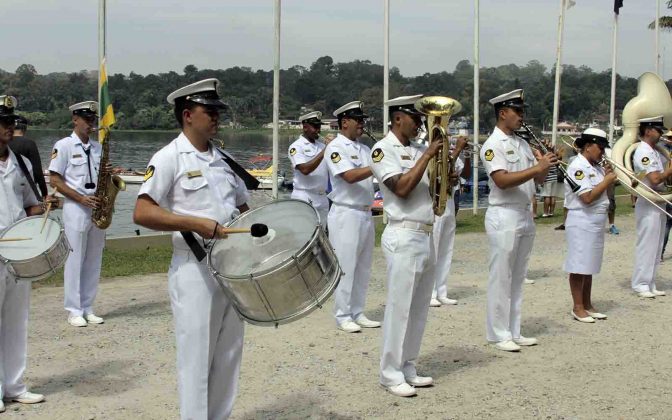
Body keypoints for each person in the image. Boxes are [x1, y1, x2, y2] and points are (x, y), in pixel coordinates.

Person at [133, 79, 250, 419]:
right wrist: (193, 222)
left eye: (217, 111)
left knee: (228, 354)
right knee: (196, 360)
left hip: (231, 265)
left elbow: (242, 206)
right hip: (195, 268)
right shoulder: (169, 157)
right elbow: (142, 211)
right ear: (187, 115)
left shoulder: (223, 158)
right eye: (208, 111)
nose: (216, 117)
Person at [371, 95, 441, 397]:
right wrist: (426, 156)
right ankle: (390, 372)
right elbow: (400, 188)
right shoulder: (381, 150)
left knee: (418, 307)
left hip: (425, 232)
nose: (420, 124)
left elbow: (433, 189)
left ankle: (408, 364)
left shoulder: (415, 149)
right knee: (400, 308)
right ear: (398, 117)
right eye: (416, 118)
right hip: (402, 232)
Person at [480, 89, 556, 352]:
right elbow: (501, 180)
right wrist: (536, 167)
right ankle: (498, 333)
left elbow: (538, 180)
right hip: (504, 213)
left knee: (518, 276)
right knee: (501, 276)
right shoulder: (493, 145)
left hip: (524, 211)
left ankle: (514, 328)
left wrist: (546, 164)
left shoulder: (522, 143)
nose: (522, 117)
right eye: (518, 112)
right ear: (503, 113)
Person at [0, 95, 46, 410]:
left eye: (10, 123)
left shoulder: (22, 163)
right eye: (3, 123)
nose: (8, 128)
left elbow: (32, 203)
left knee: (17, 320)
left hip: (18, 253)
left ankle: (14, 385)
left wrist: (41, 215)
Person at [49, 101, 107, 327]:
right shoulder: (63, 146)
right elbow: (55, 179)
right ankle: (74, 309)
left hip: (97, 206)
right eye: (86, 119)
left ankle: (88, 306)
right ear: (75, 120)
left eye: (93, 119)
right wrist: (80, 198)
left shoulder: (98, 147)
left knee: (94, 258)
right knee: (75, 259)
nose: (90, 123)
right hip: (76, 206)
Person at [324, 101, 379, 333]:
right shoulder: (336, 148)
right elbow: (349, 175)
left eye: (363, 120)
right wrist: (380, 165)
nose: (362, 125)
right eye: (358, 120)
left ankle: (357, 310)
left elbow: (374, 179)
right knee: (346, 265)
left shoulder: (365, 150)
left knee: (364, 266)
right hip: (345, 212)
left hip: (365, 212)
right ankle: (343, 314)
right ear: (344, 122)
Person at [563, 129, 617, 323]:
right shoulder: (577, 166)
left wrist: (610, 177)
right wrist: (607, 180)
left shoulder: (596, 166)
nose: (602, 153)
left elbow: (603, 192)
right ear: (587, 146)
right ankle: (577, 307)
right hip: (581, 219)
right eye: (600, 148)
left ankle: (587, 303)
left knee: (590, 264)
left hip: (595, 220)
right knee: (578, 265)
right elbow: (586, 197)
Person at [631, 116, 672, 298]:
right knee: (647, 243)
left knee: (656, 245)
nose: (661, 134)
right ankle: (640, 283)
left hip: (659, 200)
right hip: (648, 201)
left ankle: (650, 281)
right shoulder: (643, 151)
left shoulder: (655, 151)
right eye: (658, 130)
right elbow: (655, 179)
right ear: (648, 131)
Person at [430, 136, 467, 307]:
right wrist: (458, 149)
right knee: (434, 248)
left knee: (446, 248)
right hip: (436, 203)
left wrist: (462, 154)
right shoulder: (429, 149)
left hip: (449, 201)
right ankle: (430, 292)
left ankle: (441, 290)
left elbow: (461, 172)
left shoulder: (449, 151)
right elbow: (439, 172)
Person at [288, 111, 330, 228]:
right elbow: (305, 170)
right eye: (315, 127)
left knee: (321, 237)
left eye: (319, 126)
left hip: (322, 197)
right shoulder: (296, 147)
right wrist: (325, 151)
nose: (318, 130)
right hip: (305, 197)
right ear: (305, 127)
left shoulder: (321, 146)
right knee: (304, 235)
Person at [9, 115, 48, 199]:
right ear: (25, 128)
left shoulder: (5, 143)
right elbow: (37, 171)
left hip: (7, 186)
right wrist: (44, 193)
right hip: (26, 188)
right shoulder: (29, 144)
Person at [659, 130, 672, 261]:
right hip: (667, 190)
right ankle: (661, 252)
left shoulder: (662, 154)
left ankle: (660, 253)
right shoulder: (663, 155)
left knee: (667, 224)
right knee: (667, 224)